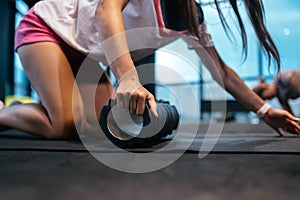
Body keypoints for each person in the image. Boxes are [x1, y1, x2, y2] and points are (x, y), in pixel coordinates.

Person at [0, 0, 299, 139]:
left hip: (84, 53)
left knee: (91, 130)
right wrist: (127, 77)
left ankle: (35, 107)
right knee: (64, 125)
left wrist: (264, 111)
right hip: (46, 28)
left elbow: (221, 71)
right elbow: (106, 10)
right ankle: (3, 112)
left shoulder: (191, 19)